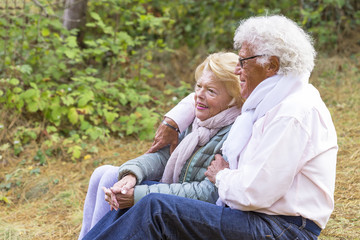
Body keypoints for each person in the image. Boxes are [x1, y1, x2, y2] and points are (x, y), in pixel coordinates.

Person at [82, 15, 338, 240]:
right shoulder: (270, 102)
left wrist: (222, 176)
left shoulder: (290, 113)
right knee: (141, 202)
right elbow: (205, 94)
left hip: (283, 229)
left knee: (155, 207)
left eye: (243, 61)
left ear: (271, 65)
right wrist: (173, 120)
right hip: (260, 219)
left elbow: (254, 193)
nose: (238, 70)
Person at [78, 52, 243, 239]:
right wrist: (132, 174)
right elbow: (165, 156)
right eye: (198, 86)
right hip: (175, 192)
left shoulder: (233, 132)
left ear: (233, 99)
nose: (198, 96)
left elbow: (208, 193)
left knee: (113, 181)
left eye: (211, 91)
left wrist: (138, 193)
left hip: (198, 214)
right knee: (105, 173)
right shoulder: (197, 120)